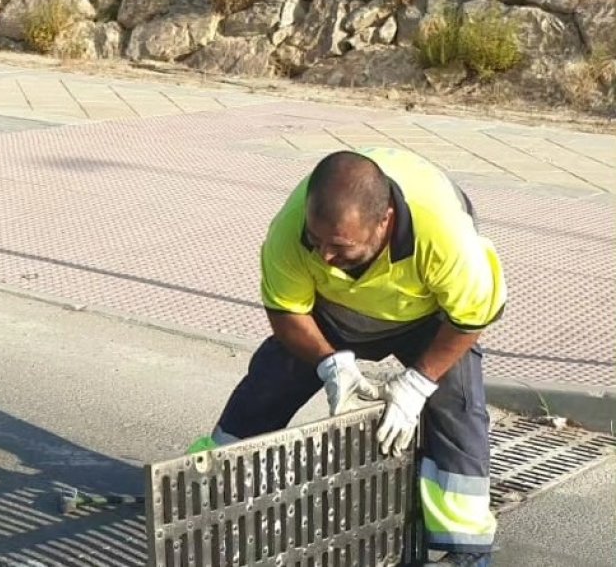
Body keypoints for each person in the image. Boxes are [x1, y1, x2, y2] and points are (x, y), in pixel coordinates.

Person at [193, 147, 506, 567]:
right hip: (334, 310)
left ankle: (466, 549)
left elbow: (471, 317)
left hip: (425, 314)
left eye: (338, 245)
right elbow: (286, 311)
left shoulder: (444, 234)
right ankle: (208, 493)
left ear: (385, 222)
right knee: (269, 384)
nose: (322, 255)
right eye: (315, 240)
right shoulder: (291, 228)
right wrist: (330, 363)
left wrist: (417, 384)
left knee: (457, 409)